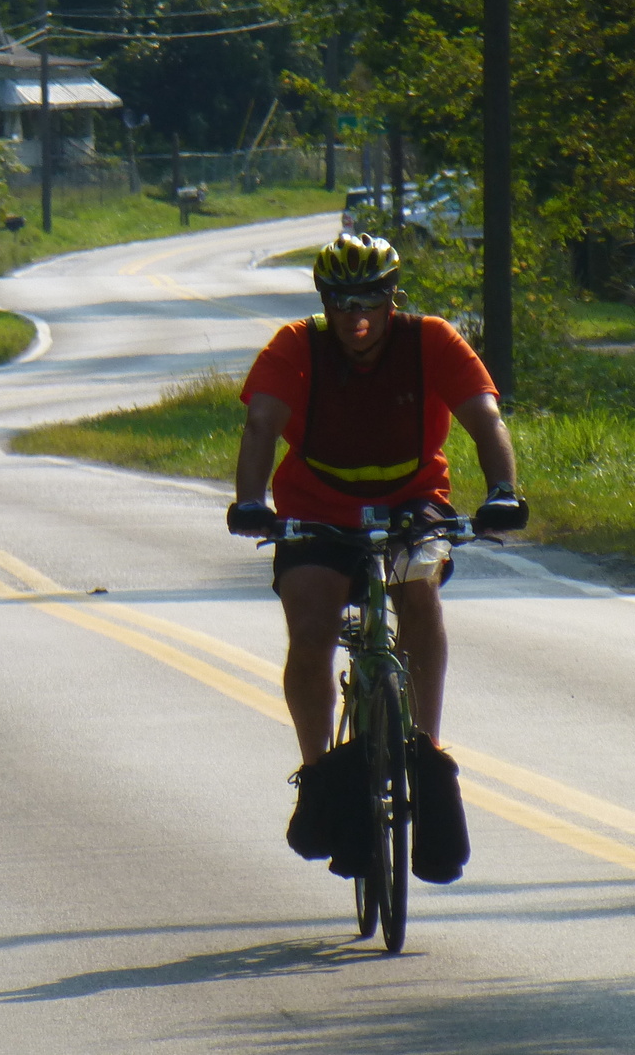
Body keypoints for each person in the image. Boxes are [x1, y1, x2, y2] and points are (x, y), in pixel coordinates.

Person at [224, 233, 528, 855]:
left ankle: (426, 753)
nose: (354, 316)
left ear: (393, 299)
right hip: (316, 506)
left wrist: (502, 491)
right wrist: (252, 503)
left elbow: (486, 419)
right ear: (323, 302)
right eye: (340, 301)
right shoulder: (296, 346)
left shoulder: (430, 340)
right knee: (312, 626)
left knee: (418, 591)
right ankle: (319, 779)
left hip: (412, 500)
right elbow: (261, 424)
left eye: (369, 300)